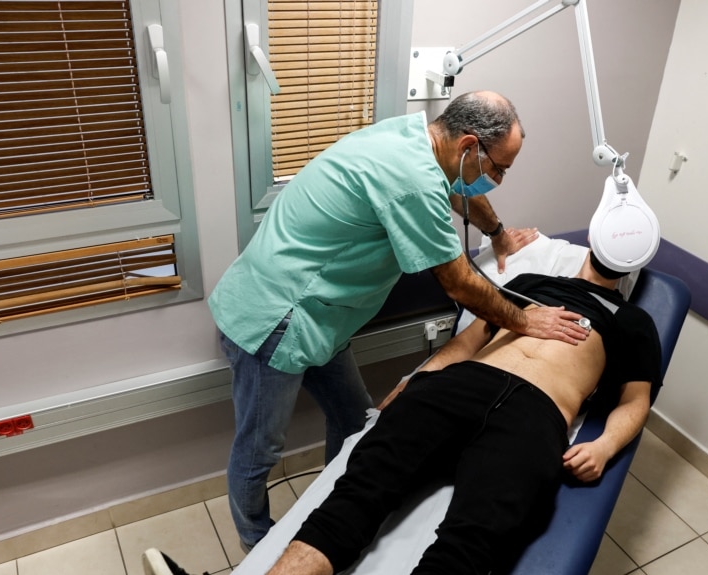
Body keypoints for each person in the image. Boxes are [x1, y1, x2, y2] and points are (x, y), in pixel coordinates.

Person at [208, 91, 591, 553]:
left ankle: (331, 513)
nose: (499, 180)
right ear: (469, 145)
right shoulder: (411, 179)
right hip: (276, 319)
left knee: (355, 420)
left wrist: (497, 234)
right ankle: (256, 543)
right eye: (498, 168)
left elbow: (455, 186)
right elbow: (460, 284)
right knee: (259, 450)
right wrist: (525, 321)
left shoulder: (415, 136)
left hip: (323, 319)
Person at [265, 243, 663, 575]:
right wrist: (419, 377)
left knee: (470, 546)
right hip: (457, 386)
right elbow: (468, 341)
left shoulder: (634, 322)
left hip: (534, 415)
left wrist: (604, 446)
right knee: (355, 499)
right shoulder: (529, 284)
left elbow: (636, 399)